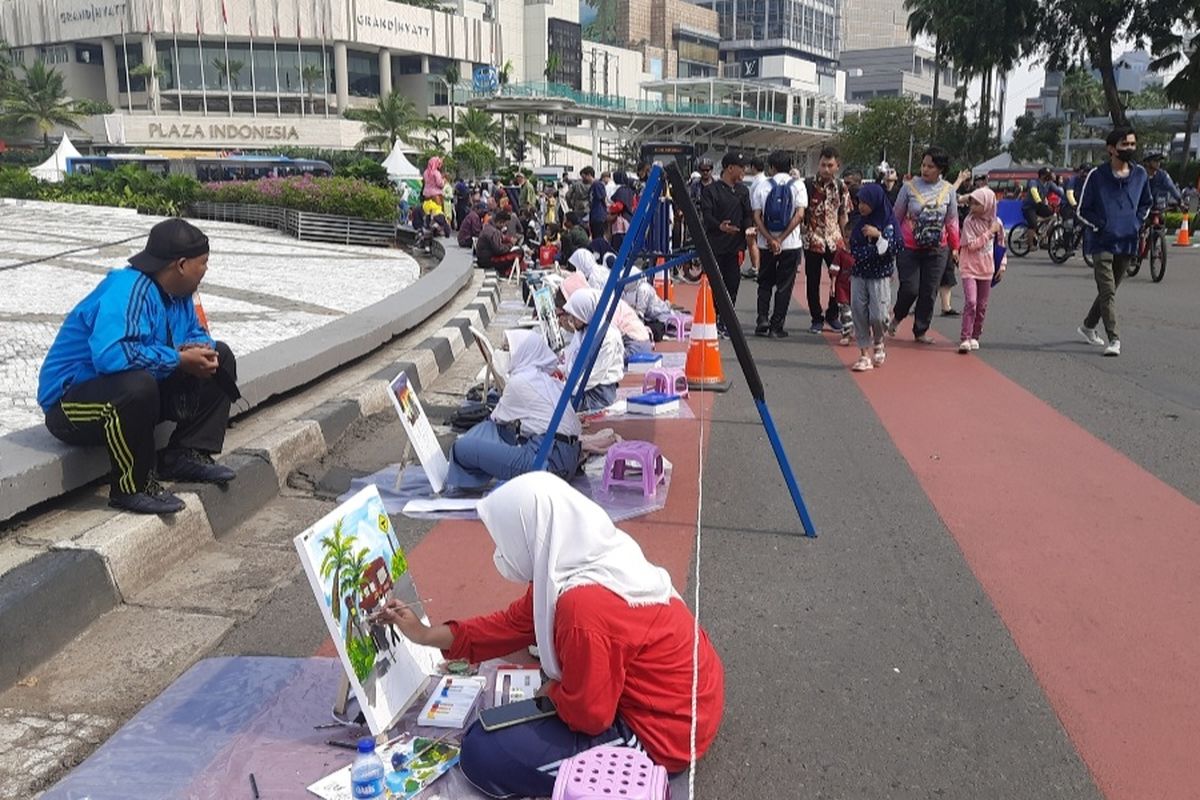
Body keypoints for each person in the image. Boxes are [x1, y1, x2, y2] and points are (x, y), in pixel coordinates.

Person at [372, 472, 725, 798]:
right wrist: (424, 634)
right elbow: (510, 625)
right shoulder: (580, 556)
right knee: (499, 727)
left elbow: (591, 714)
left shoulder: (581, 605)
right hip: (689, 700)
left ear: (532, 534)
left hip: (664, 734)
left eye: (506, 538)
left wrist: (554, 694)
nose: (500, 551)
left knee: (480, 752)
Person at [37, 219, 237, 515]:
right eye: (203, 263)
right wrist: (178, 358)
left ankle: (185, 454)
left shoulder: (180, 295)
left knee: (220, 355)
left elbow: (194, 333)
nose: (206, 270)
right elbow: (112, 356)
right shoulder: (127, 290)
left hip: (132, 393)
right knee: (136, 385)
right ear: (181, 265)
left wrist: (199, 350)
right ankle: (133, 487)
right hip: (71, 406)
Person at [445, 331, 581, 492]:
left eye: (508, 349)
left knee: (462, 448)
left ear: (522, 353)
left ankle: (460, 480)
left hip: (546, 462)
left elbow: (497, 419)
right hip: (566, 457)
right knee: (498, 433)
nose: (504, 353)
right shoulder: (545, 379)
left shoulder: (520, 381)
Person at [1076, 126, 1152, 357]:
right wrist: (1100, 225)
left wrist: (1136, 224)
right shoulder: (1097, 176)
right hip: (1102, 242)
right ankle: (1114, 338)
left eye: (1132, 144)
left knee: (1109, 291)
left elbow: (1145, 204)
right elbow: (1082, 209)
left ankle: (1088, 326)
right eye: (1124, 145)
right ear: (1111, 149)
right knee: (1107, 291)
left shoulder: (1140, 175)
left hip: (1128, 241)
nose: (1129, 148)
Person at [889, 146, 960, 344]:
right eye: (923, 165)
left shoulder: (949, 190)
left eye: (931, 166)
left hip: (938, 248)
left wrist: (955, 247)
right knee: (910, 289)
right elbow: (897, 215)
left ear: (941, 169)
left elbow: (952, 221)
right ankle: (897, 316)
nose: (925, 170)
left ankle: (920, 330)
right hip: (909, 247)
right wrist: (891, 242)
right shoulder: (908, 187)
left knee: (929, 291)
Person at [752, 150, 807, 338]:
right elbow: (800, 215)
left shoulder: (762, 186)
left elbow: (757, 217)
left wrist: (770, 239)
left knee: (765, 281)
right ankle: (777, 326)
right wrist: (781, 239)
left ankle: (762, 319)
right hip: (790, 244)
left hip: (765, 243)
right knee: (785, 285)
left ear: (772, 167)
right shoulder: (798, 185)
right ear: (790, 166)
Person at [846, 183, 899, 372]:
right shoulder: (858, 223)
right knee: (859, 311)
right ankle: (863, 354)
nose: (861, 206)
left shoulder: (888, 222)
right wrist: (876, 250)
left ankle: (879, 341)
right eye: (859, 201)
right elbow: (854, 249)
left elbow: (893, 248)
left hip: (880, 276)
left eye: (866, 202)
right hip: (859, 274)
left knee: (879, 315)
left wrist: (878, 237)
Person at [700, 152, 751, 337]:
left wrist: (749, 229)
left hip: (735, 247)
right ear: (730, 168)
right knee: (716, 285)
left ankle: (726, 321)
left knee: (733, 283)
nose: (744, 171)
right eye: (741, 167)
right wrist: (719, 226)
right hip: (716, 246)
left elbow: (747, 216)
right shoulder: (711, 191)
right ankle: (714, 318)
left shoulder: (743, 191)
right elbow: (707, 217)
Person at [802, 146, 852, 334]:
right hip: (812, 240)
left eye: (830, 165)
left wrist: (847, 241)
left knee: (838, 279)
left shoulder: (841, 187)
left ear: (837, 166)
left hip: (835, 240)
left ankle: (833, 315)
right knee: (812, 280)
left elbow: (843, 215)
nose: (825, 169)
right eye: (823, 165)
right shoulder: (807, 185)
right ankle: (816, 318)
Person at [956, 186, 1007, 353]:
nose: (973, 207)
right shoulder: (969, 222)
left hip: (987, 268)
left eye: (977, 204)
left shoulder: (997, 223)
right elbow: (971, 246)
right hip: (969, 267)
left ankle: (975, 335)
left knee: (982, 305)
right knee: (971, 302)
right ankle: (965, 337)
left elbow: (1001, 246)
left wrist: (1002, 264)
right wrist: (989, 233)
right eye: (972, 204)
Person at [560, 289, 625, 411]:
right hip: (581, 386)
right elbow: (572, 356)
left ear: (585, 312)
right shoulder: (584, 330)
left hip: (598, 393)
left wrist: (566, 390)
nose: (571, 320)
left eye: (575, 316)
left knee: (558, 405)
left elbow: (594, 375)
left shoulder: (608, 336)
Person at [1020, 167, 1064, 249]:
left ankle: (1043, 238)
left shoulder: (1050, 184)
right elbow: (1034, 191)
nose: (1050, 176)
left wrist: (1066, 200)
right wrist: (1038, 201)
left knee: (1052, 216)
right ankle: (1030, 245)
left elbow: (1059, 192)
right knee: (1032, 224)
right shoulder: (1033, 182)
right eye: (1048, 175)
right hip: (1030, 207)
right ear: (1042, 176)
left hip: (1040, 206)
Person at [742, 155, 768, 279]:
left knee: (752, 242)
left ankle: (756, 268)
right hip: (764, 216)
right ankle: (758, 268)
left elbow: (754, 202)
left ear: (753, 167)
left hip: (757, 215)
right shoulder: (766, 180)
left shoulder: (757, 182)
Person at [475, 209, 522, 275]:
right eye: (504, 224)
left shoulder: (489, 227)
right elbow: (499, 250)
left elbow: (500, 239)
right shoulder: (494, 232)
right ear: (501, 222)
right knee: (519, 252)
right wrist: (510, 245)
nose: (504, 226)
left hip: (483, 258)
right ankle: (505, 272)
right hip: (487, 260)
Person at [589, 167, 610, 238]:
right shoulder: (598, 185)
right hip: (598, 215)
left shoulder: (595, 185)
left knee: (596, 236)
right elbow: (603, 199)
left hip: (596, 215)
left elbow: (601, 198)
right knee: (599, 235)